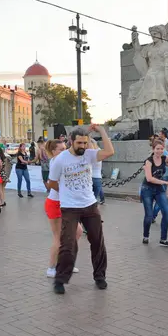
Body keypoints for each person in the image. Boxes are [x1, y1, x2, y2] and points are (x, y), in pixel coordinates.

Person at [48, 125, 115, 294]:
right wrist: (66, 193)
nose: (83, 146)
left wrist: (102, 131)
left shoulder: (89, 155)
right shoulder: (60, 159)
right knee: (68, 244)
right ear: (71, 141)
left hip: (90, 205)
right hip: (70, 207)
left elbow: (109, 151)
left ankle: (100, 277)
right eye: (79, 143)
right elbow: (52, 182)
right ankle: (61, 279)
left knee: (97, 241)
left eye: (85, 143)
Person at [44, 139, 82, 278]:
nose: (64, 151)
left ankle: (66, 262)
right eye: (61, 149)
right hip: (55, 203)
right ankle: (51, 267)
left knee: (77, 231)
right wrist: (67, 191)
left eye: (65, 148)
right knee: (58, 237)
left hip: (65, 203)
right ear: (53, 151)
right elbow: (51, 184)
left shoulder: (63, 160)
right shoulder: (55, 162)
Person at [141, 140, 168, 247]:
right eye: (157, 149)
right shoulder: (148, 161)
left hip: (159, 189)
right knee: (149, 215)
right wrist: (165, 182)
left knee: (166, 212)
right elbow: (149, 178)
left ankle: (163, 239)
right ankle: (146, 235)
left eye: (161, 149)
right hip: (147, 189)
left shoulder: (164, 158)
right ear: (153, 149)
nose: (160, 151)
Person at [89, 139, 106, 205]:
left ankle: (100, 200)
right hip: (97, 177)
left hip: (91, 177)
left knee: (93, 198)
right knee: (98, 189)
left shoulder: (89, 154)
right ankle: (102, 199)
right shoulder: (99, 152)